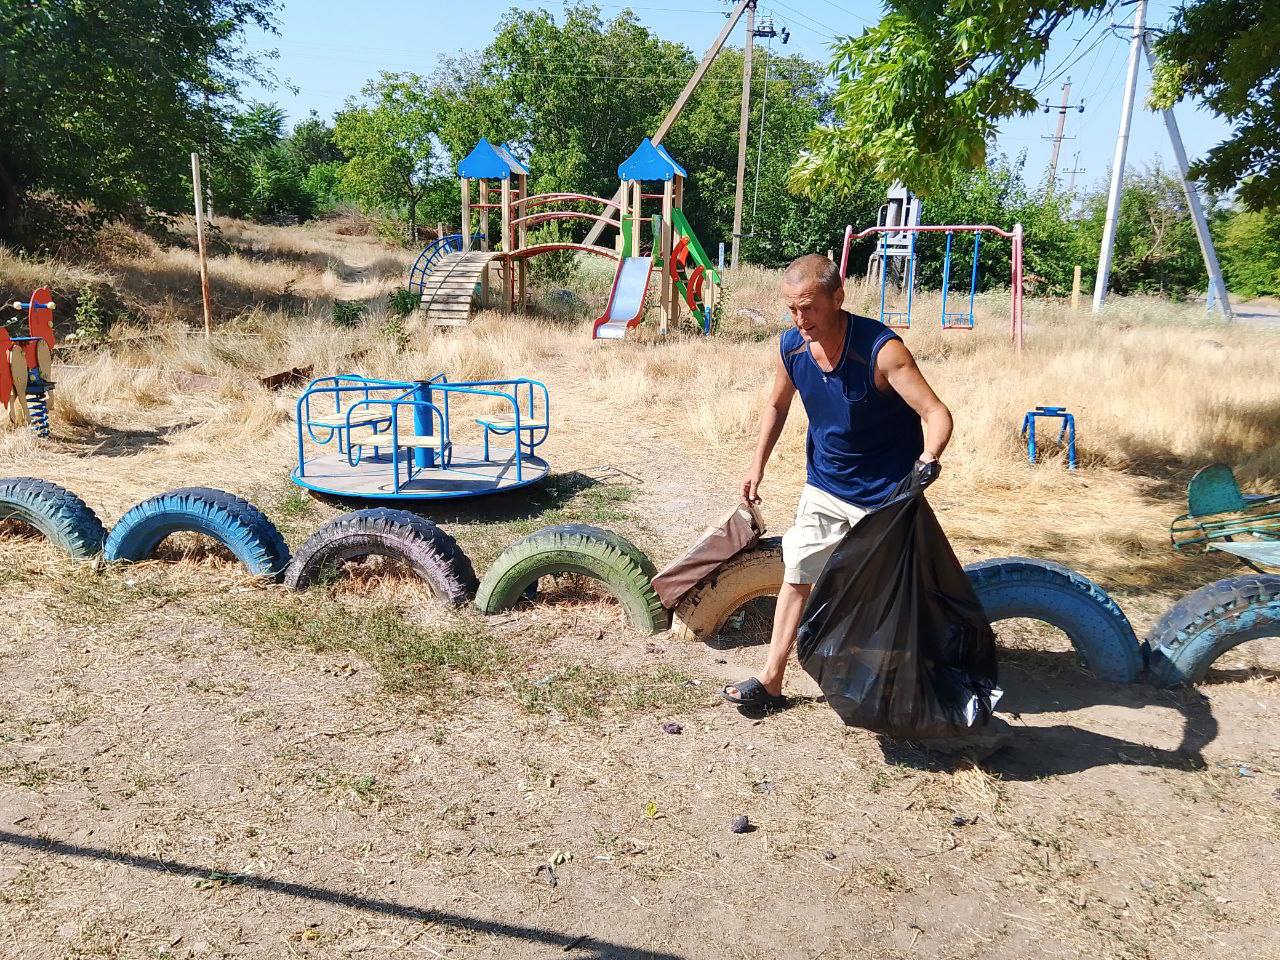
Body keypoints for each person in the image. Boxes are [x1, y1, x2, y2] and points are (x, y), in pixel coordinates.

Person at [723, 254, 953, 711]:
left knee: (889, 596)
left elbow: (936, 412)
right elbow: (777, 406)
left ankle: (906, 686)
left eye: (808, 307)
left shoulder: (881, 351)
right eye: (791, 308)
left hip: (885, 498)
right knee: (797, 574)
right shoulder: (791, 348)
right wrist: (757, 464)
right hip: (825, 485)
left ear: (838, 297)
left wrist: (928, 460)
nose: (799, 319)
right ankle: (771, 681)